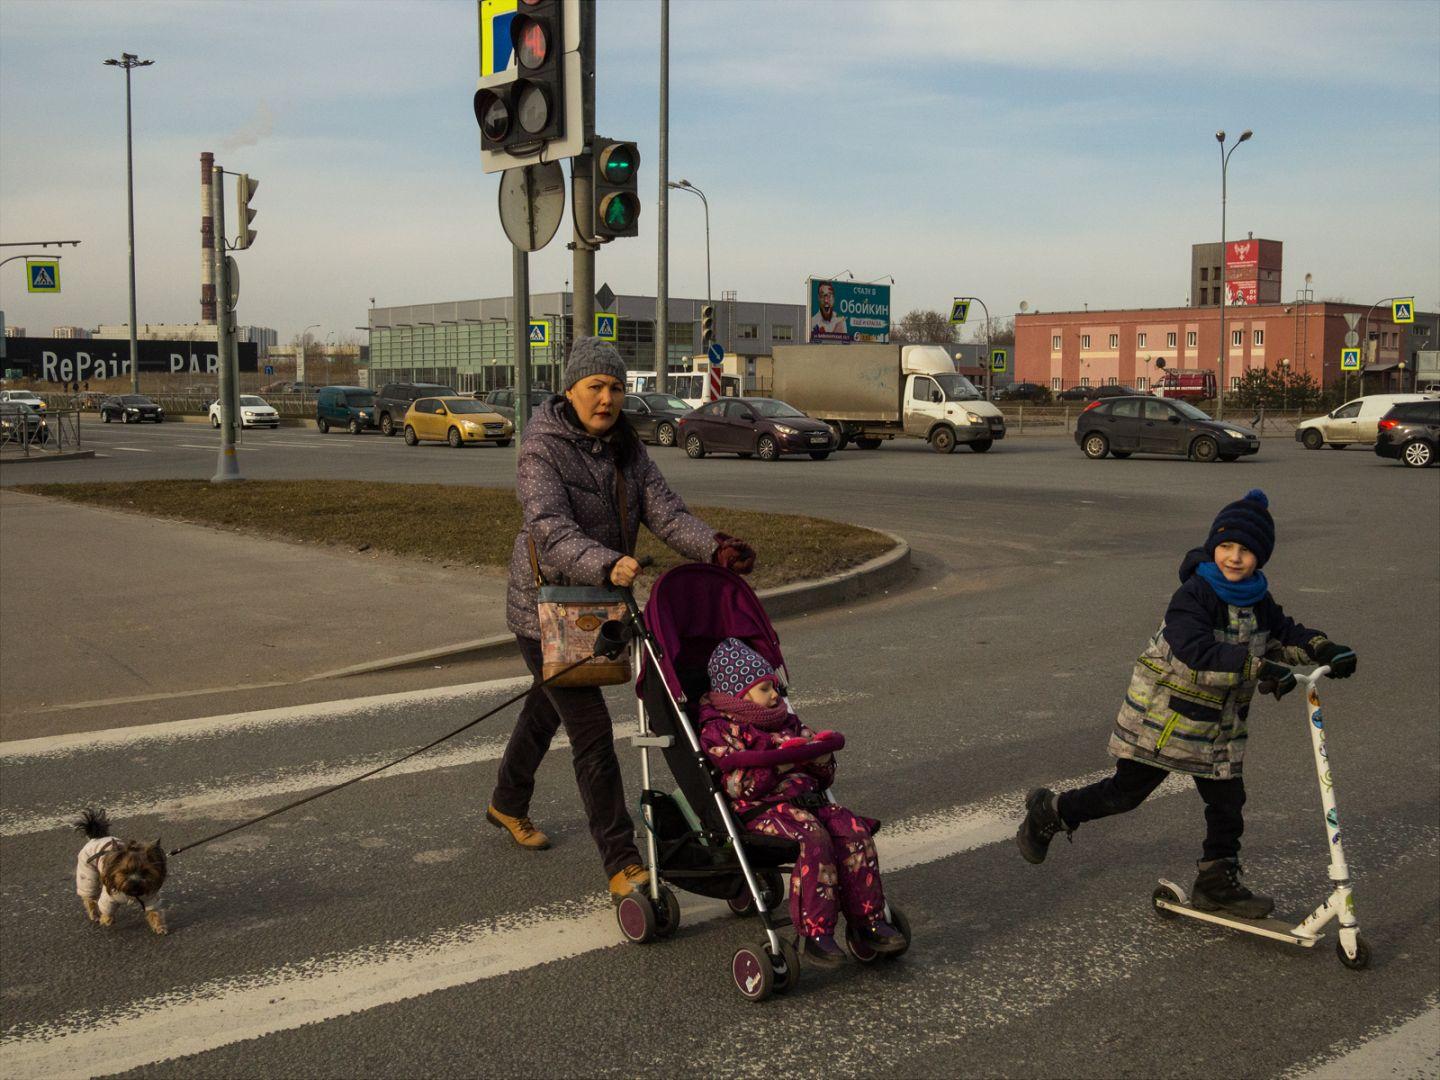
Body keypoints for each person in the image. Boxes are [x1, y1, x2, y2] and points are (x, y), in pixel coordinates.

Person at [490, 337, 756, 901]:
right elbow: (549, 529)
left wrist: (714, 548)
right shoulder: (541, 447)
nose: (607, 398)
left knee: (546, 708)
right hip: (546, 610)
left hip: (600, 603)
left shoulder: (629, 450)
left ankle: (506, 801)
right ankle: (622, 859)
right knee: (590, 732)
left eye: (615, 387)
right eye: (595, 387)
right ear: (571, 390)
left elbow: (666, 512)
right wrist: (607, 562)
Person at [1015, 489, 1357, 917]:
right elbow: (1194, 650)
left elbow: (1282, 631)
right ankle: (1052, 811)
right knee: (1125, 795)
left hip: (1218, 730)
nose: (1234, 557)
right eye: (1226, 547)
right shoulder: (1194, 595)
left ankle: (1216, 882)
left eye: (1246, 550)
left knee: (1228, 803)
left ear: (1261, 557)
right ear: (1213, 547)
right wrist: (1259, 669)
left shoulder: (1257, 598)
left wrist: (1322, 647)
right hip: (1163, 722)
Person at [699, 637, 903, 966]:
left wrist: (818, 757)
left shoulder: (787, 721)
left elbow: (823, 778)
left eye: (775, 687)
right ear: (740, 692)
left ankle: (869, 920)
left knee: (854, 833)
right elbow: (738, 786)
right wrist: (777, 764)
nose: (775, 695)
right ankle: (815, 932)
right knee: (814, 839)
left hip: (809, 799)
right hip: (764, 808)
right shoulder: (721, 730)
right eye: (765, 689)